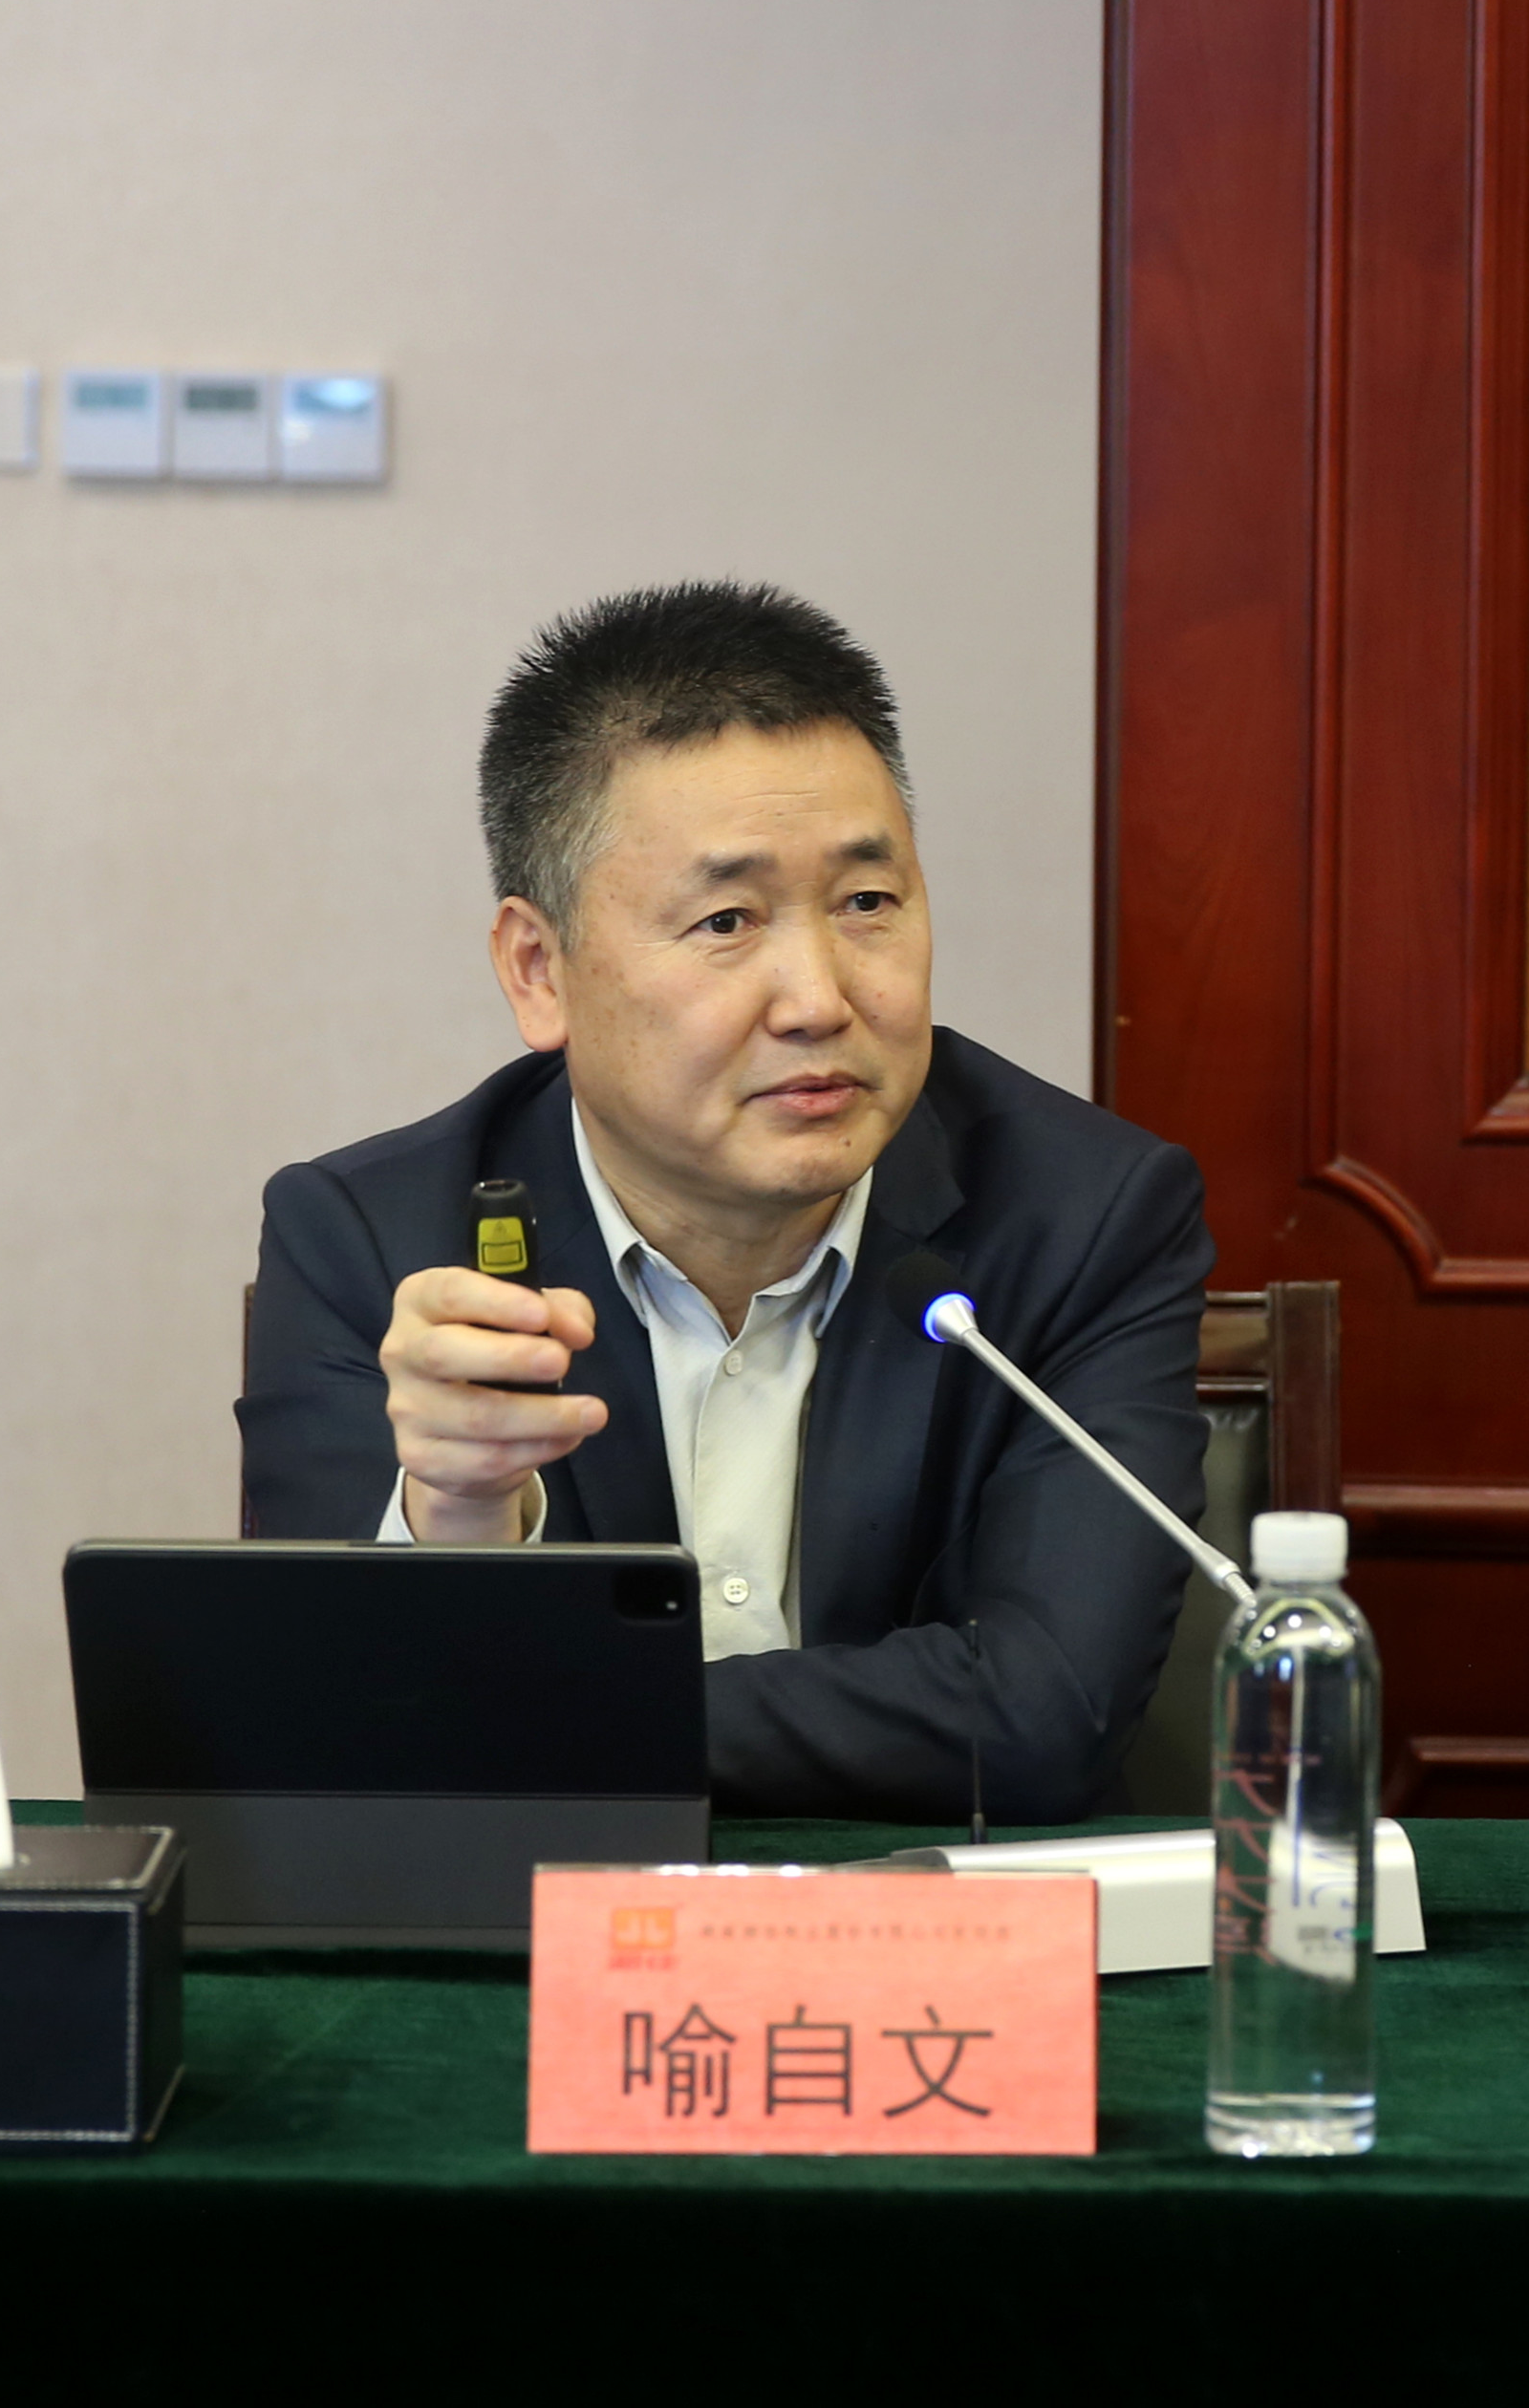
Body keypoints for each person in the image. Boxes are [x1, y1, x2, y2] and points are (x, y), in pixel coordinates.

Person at [239, 582, 1211, 1821]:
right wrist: (455, 1522)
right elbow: (324, 1729)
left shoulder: (1086, 1216)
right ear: (540, 971)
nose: (817, 999)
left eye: (866, 903)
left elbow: (1042, 1714)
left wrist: (539, 1713)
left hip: (927, 1924)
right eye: (726, 920)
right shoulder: (369, 1243)